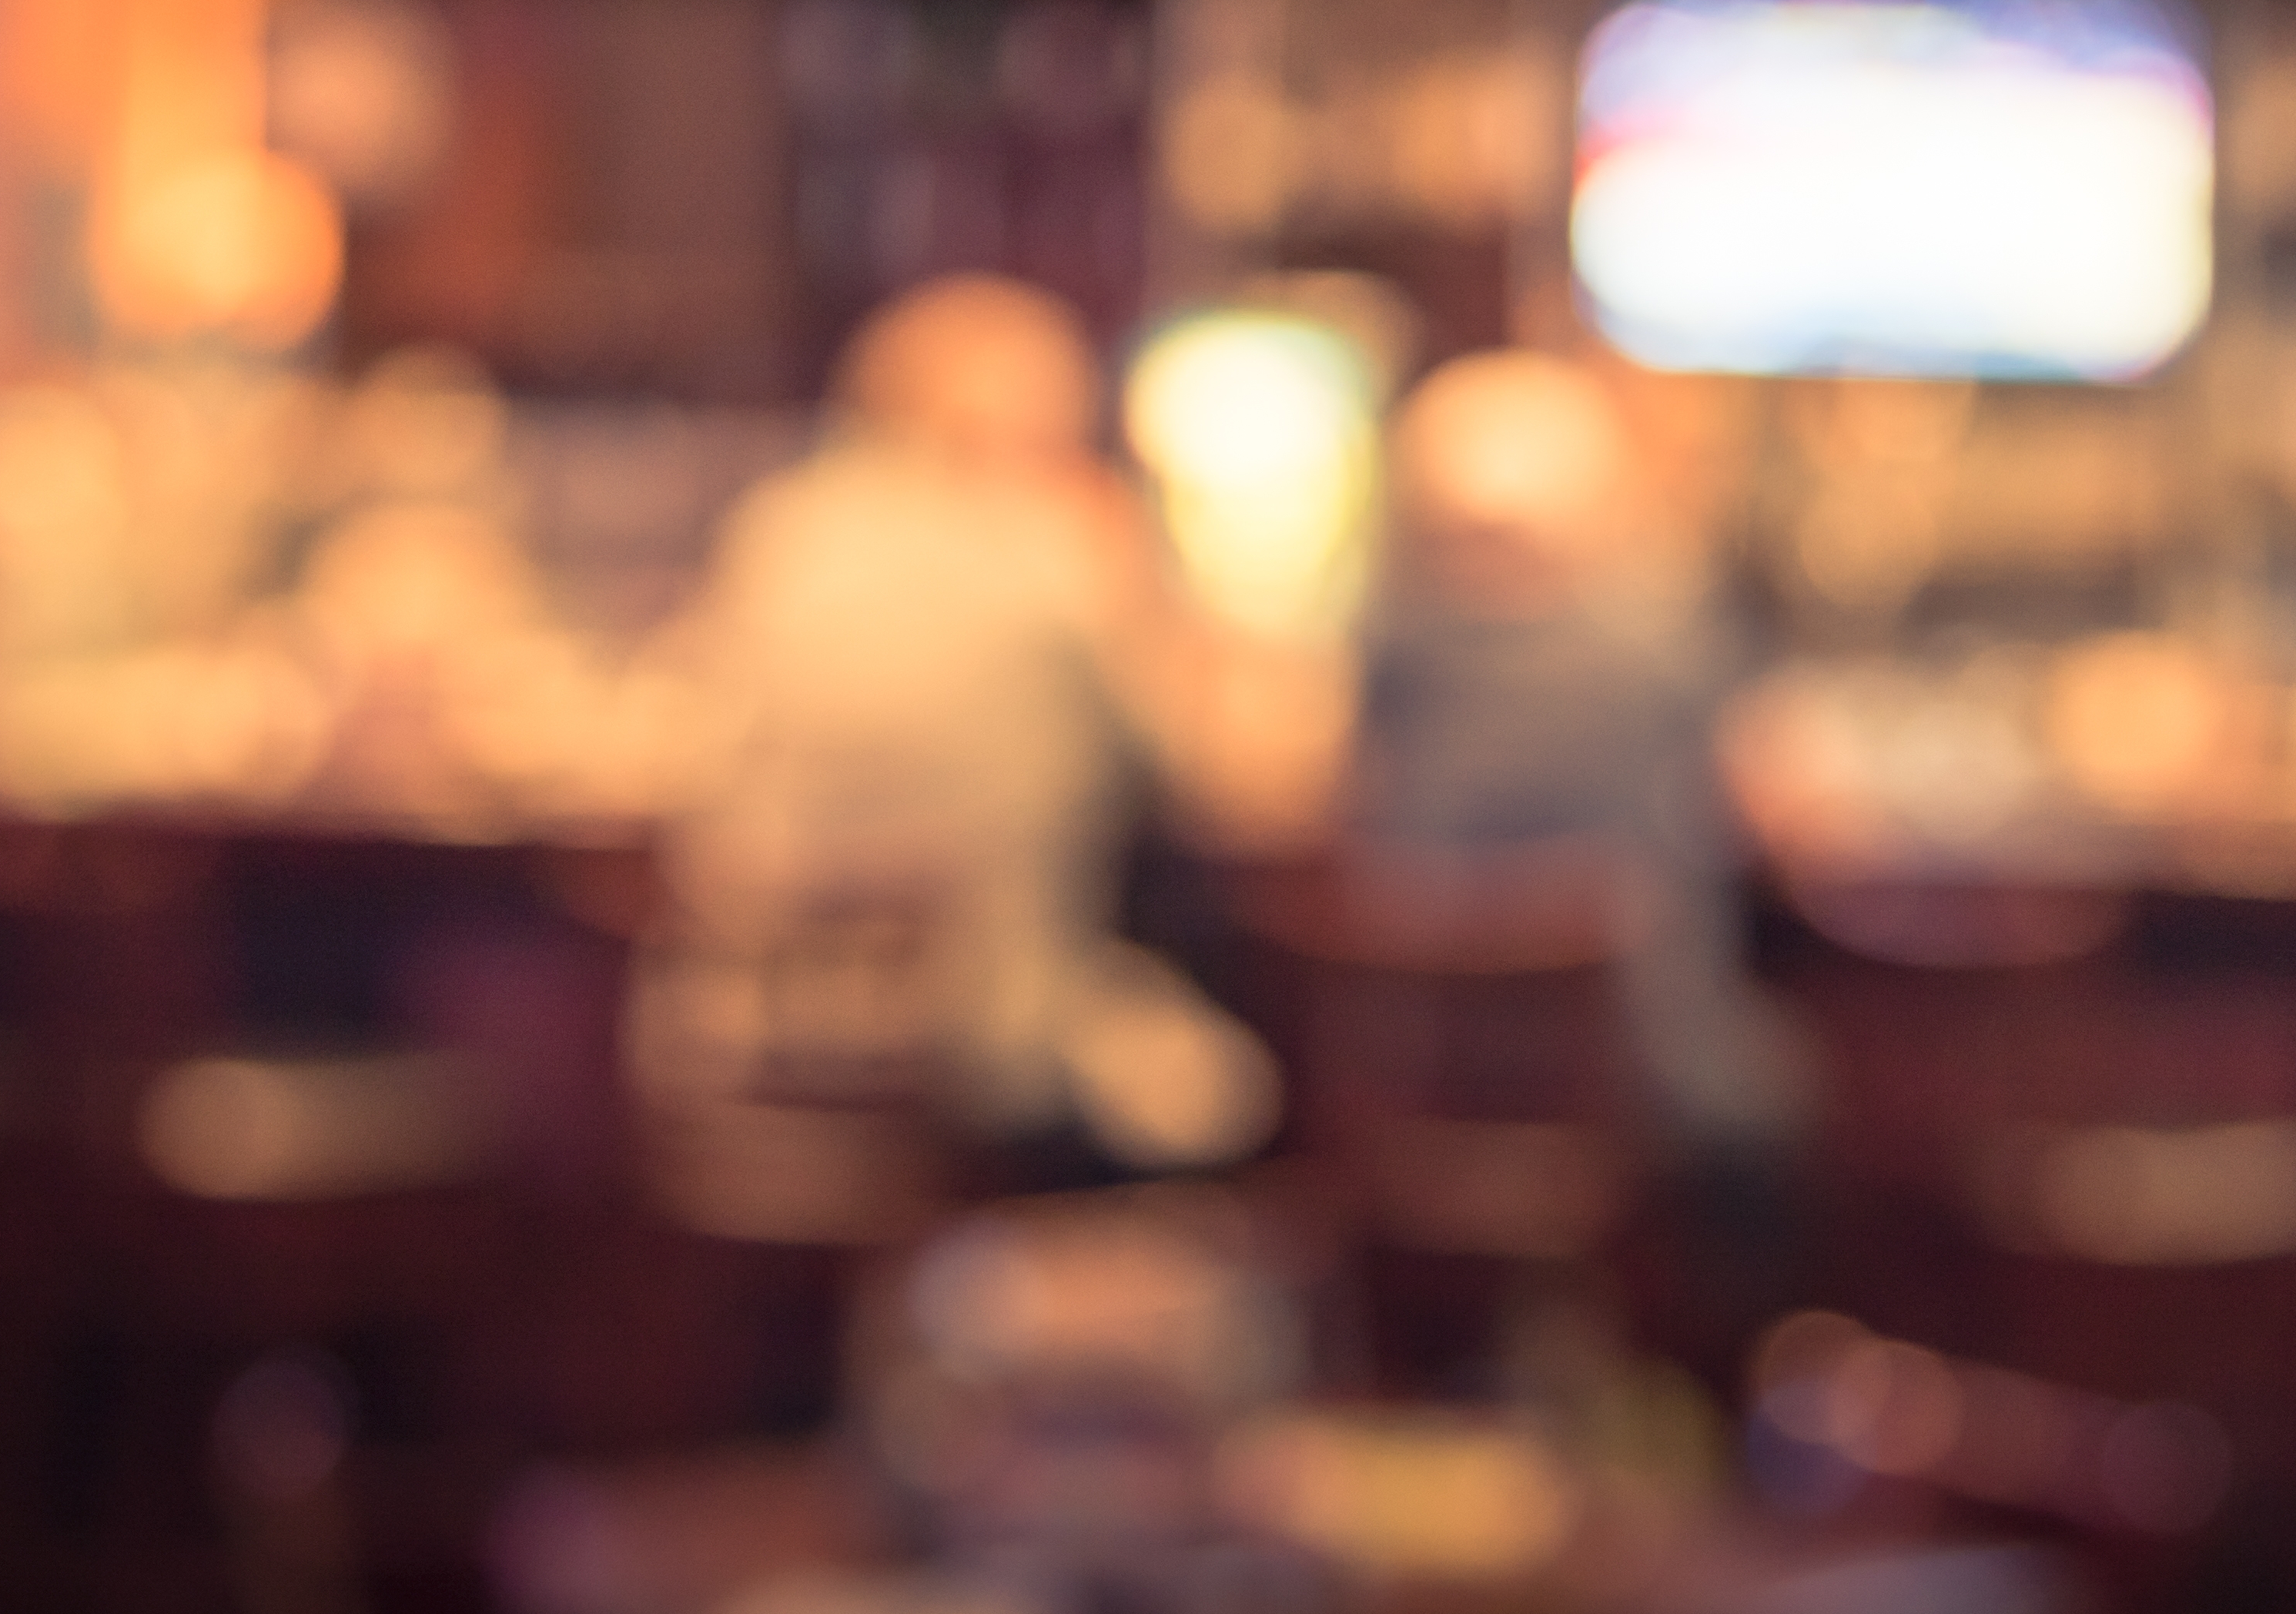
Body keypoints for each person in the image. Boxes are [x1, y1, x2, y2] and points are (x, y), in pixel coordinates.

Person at [647, 276, 1245, 1154]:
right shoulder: (1054, 552)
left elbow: (682, 738)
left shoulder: (780, 531)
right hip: (984, 1064)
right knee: (1226, 1093)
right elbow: (1193, 767)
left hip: (746, 1051)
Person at [1344, 350, 1802, 1148]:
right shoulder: (1661, 648)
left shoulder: (1392, 654)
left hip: (1415, 1077)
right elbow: (1780, 815)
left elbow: (1336, 804)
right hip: (1645, 1075)